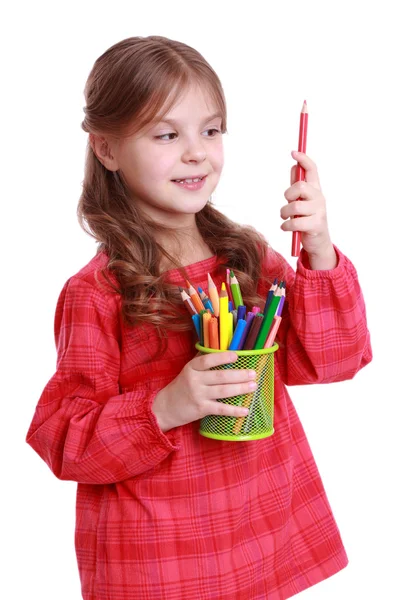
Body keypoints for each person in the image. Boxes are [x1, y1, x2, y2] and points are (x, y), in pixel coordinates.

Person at [25, 35, 372, 600]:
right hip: (160, 559)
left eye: (211, 131)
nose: (197, 153)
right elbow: (62, 439)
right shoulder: (97, 292)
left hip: (260, 532)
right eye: (167, 134)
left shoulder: (247, 257)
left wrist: (320, 249)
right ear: (106, 149)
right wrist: (165, 406)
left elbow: (334, 359)